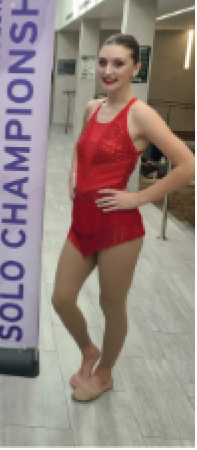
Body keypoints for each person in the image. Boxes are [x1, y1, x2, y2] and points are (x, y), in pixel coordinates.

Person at [51, 34, 195, 402]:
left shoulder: (141, 114)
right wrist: (72, 176)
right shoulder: (92, 108)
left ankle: (104, 373)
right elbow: (81, 150)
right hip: (81, 221)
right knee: (62, 298)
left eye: (118, 63)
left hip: (119, 228)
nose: (108, 70)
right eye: (103, 62)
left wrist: (138, 197)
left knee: (111, 305)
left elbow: (188, 166)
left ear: (136, 67)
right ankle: (88, 349)